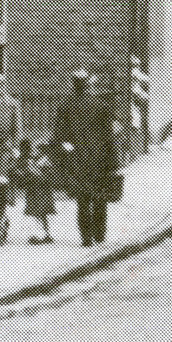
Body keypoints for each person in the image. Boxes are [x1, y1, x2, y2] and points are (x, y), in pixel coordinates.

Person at [53, 68, 120, 247]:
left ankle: (86, 237)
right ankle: (99, 233)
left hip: (77, 159)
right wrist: (114, 162)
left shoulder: (65, 105)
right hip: (99, 159)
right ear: (89, 84)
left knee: (82, 200)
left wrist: (64, 153)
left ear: (74, 84)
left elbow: (59, 135)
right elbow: (109, 136)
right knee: (100, 197)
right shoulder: (101, 105)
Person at [14, 138, 56, 244]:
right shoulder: (31, 159)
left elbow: (28, 174)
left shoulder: (29, 160)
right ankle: (45, 234)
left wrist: (25, 175)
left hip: (36, 189)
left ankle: (40, 235)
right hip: (40, 189)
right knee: (40, 213)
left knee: (37, 212)